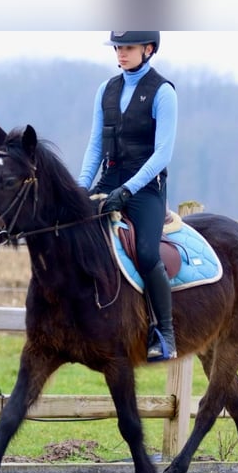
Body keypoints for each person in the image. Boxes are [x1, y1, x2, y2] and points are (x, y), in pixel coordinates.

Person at [77, 31, 178, 361]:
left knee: (148, 254)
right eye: (118, 47)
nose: (121, 53)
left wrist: (128, 190)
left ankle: (164, 332)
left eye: (128, 47)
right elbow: (95, 147)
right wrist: (81, 188)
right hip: (109, 181)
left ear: (148, 49)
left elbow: (162, 153)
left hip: (146, 189)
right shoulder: (105, 90)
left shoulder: (163, 92)